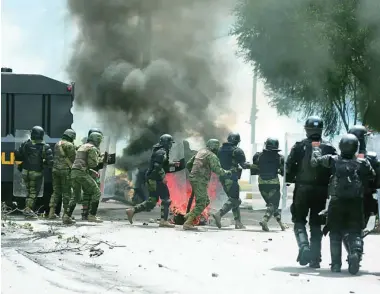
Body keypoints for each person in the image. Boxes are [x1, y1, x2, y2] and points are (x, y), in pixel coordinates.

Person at [310, 134, 375, 274]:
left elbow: (315, 162)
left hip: (336, 201)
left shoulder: (333, 160)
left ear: (341, 146)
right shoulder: (362, 162)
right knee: (355, 231)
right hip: (356, 202)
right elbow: (372, 174)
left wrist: (316, 149)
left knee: (335, 233)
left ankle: (335, 265)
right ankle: (355, 254)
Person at [286, 116, 337, 268]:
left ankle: (304, 247)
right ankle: (315, 258)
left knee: (299, 220)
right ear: (321, 130)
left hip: (302, 189)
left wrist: (289, 178)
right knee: (316, 224)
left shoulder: (299, 146)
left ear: (307, 129)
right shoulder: (329, 147)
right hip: (321, 191)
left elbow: (289, 167)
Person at [126, 134, 180, 228]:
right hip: (156, 179)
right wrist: (162, 177)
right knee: (166, 199)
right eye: (170, 143)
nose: (171, 145)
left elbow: (163, 164)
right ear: (167, 143)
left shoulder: (160, 151)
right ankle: (164, 221)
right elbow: (157, 167)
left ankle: (132, 210)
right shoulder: (162, 152)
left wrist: (173, 164)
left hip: (152, 178)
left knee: (152, 201)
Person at [183, 139, 231, 230]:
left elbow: (189, 164)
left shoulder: (200, 152)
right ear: (215, 147)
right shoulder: (211, 155)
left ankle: (189, 215)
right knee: (201, 203)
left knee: (206, 201)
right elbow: (217, 169)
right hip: (200, 180)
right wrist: (227, 173)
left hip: (195, 179)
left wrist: (194, 173)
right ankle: (188, 223)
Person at [212, 132, 250, 229]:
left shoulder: (219, 150)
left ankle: (238, 222)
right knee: (235, 199)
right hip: (232, 177)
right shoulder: (237, 151)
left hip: (222, 178)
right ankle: (219, 214)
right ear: (237, 141)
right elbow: (244, 165)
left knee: (233, 199)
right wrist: (254, 166)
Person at [14, 126, 54, 219]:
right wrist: (43, 164)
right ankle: (28, 210)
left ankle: (28, 210)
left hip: (25, 171)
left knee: (28, 191)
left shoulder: (25, 144)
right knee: (33, 193)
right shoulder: (45, 146)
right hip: (36, 172)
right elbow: (50, 162)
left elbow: (19, 155)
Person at [66, 131, 104, 223]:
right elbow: (92, 164)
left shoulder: (82, 147)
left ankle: (66, 216)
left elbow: (81, 162)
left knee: (75, 196)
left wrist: (91, 171)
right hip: (81, 174)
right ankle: (92, 215)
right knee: (97, 193)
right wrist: (101, 159)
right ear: (97, 140)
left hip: (74, 172)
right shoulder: (92, 148)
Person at [251, 137, 287, 231]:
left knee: (271, 206)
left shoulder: (257, 156)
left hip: (262, 184)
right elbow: (284, 173)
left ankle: (281, 224)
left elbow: (255, 169)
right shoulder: (280, 158)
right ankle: (265, 220)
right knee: (274, 205)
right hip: (273, 184)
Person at [348, 125, 379, 227]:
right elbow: (377, 182)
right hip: (366, 198)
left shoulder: (342, 157)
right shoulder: (372, 157)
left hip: (346, 198)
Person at [48, 129, 77, 220]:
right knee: (67, 192)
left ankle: (51, 213)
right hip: (65, 171)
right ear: (71, 136)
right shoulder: (69, 145)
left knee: (56, 191)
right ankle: (66, 214)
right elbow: (74, 158)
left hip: (55, 170)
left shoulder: (58, 144)